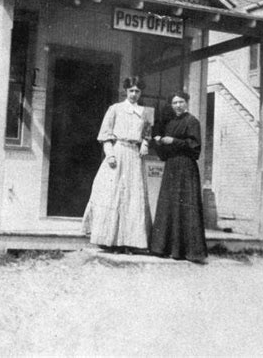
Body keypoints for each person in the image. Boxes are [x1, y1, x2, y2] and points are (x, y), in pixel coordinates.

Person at [82, 76, 152, 252]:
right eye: (131, 91)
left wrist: (144, 143)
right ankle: (108, 239)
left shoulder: (145, 112)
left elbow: (148, 133)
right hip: (118, 153)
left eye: (137, 91)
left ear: (141, 92)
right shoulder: (115, 109)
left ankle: (130, 242)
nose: (134, 94)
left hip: (135, 157)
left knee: (133, 197)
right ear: (125, 91)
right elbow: (105, 133)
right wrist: (110, 154)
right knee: (112, 194)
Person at [150, 91, 208, 263]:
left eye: (181, 102)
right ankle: (165, 248)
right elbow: (164, 152)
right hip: (171, 167)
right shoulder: (170, 123)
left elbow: (194, 146)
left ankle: (189, 251)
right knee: (169, 205)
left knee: (186, 207)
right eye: (175, 103)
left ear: (187, 102)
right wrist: (159, 142)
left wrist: (173, 141)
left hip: (186, 167)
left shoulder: (192, 122)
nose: (178, 106)